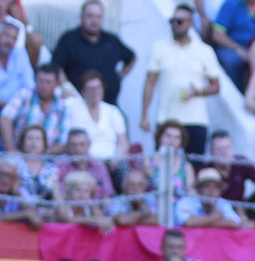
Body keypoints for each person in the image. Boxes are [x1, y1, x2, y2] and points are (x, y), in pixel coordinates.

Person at [140, 3, 221, 156]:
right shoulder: (159, 47)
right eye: (173, 21)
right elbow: (150, 82)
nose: (175, 25)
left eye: (180, 21)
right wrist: (145, 115)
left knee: (194, 167)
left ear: (191, 23)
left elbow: (216, 86)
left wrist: (198, 92)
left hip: (196, 119)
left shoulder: (204, 51)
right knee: (163, 167)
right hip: (167, 119)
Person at [51, 0, 135, 104]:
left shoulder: (112, 40)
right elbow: (56, 66)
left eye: (98, 17)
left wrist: (120, 76)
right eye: (90, 16)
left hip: (109, 105)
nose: (94, 20)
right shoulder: (69, 39)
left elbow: (132, 57)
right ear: (82, 17)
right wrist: (66, 86)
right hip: (78, 104)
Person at [0, 62, 75, 153]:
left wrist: (41, 157)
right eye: (41, 81)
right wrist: (11, 149)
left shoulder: (62, 106)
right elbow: (5, 118)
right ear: (35, 80)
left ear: (57, 83)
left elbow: (63, 141)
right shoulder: (24, 95)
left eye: (48, 82)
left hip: (48, 158)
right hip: (18, 153)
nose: (44, 86)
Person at [64, 69, 127, 162]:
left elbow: (123, 142)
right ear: (83, 91)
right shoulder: (71, 107)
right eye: (90, 89)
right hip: (82, 161)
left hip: (112, 161)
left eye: (98, 88)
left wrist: (115, 160)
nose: (95, 92)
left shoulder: (113, 111)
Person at [175, 166, 248, 228]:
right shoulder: (186, 202)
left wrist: (199, 222)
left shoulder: (223, 203)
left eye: (216, 187)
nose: (211, 191)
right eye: (206, 186)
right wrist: (215, 217)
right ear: (199, 189)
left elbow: (234, 222)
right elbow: (187, 222)